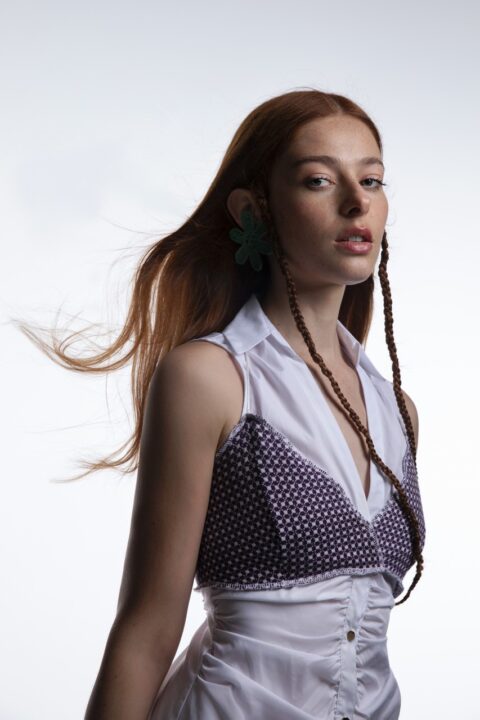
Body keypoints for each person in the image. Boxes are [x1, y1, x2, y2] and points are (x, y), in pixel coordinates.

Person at [19, 88, 426, 719]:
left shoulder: (397, 411)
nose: (357, 202)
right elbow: (147, 628)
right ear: (253, 211)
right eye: (319, 180)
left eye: (371, 180)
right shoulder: (210, 378)